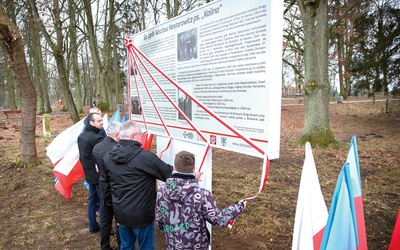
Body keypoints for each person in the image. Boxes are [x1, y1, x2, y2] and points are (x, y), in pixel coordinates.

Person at [102, 120, 173, 250]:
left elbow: (105, 186)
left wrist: (113, 206)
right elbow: (169, 173)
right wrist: (191, 174)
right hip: (142, 215)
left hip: (121, 212)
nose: (142, 136)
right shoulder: (145, 157)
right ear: (133, 137)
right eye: (140, 133)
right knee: (147, 247)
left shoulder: (108, 157)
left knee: (126, 246)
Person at [155, 150, 247, 250]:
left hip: (172, 246)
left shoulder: (161, 191)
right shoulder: (202, 194)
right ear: (194, 169)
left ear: (174, 167)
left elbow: (159, 219)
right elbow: (218, 219)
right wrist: (239, 206)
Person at [93, 121, 121, 250]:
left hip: (103, 187)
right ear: (116, 134)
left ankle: (105, 246)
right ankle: (122, 245)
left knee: (105, 221)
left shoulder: (97, 147)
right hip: (117, 189)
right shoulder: (118, 149)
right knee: (119, 221)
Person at [78, 112, 105, 233]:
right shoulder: (96, 138)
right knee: (103, 202)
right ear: (91, 123)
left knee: (92, 199)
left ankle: (93, 225)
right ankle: (105, 228)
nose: (102, 123)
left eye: (102, 120)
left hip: (89, 173)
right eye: (99, 121)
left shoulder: (82, 136)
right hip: (97, 175)